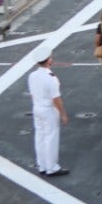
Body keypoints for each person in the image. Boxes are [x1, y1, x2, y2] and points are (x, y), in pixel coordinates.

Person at [27, 47, 70, 177]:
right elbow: (56, 99)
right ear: (49, 61)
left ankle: (42, 165)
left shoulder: (32, 75)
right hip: (49, 110)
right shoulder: (51, 78)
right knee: (51, 138)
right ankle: (52, 167)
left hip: (37, 108)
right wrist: (63, 114)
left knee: (39, 137)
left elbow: (32, 94)